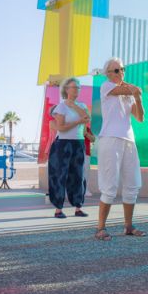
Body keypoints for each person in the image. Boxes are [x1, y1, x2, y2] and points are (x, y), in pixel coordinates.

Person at [95, 58, 146, 241]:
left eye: (122, 69)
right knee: (110, 186)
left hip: (129, 141)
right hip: (110, 139)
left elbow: (140, 117)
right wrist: (133, 89)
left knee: (132, 185)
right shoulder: (106, 86)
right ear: (108, 73)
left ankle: (129, 226)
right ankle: (100, 228)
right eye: (116, 70)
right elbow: (127, 89)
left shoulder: (128, 93)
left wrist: (137, 97)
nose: (121, 72)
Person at [48, 77, 90, 218]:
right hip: (63, 144)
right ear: (66, 89)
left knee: (78, 176)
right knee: (60, 176)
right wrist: (78, 121)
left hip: (78, 143)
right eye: (74, 87)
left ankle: (78, 207)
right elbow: (61, 128)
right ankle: (58, 209)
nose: (77, 89)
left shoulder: (82, 106)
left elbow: (87, 118)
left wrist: (73, 106)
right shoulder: (61, 106)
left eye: (78, 87)